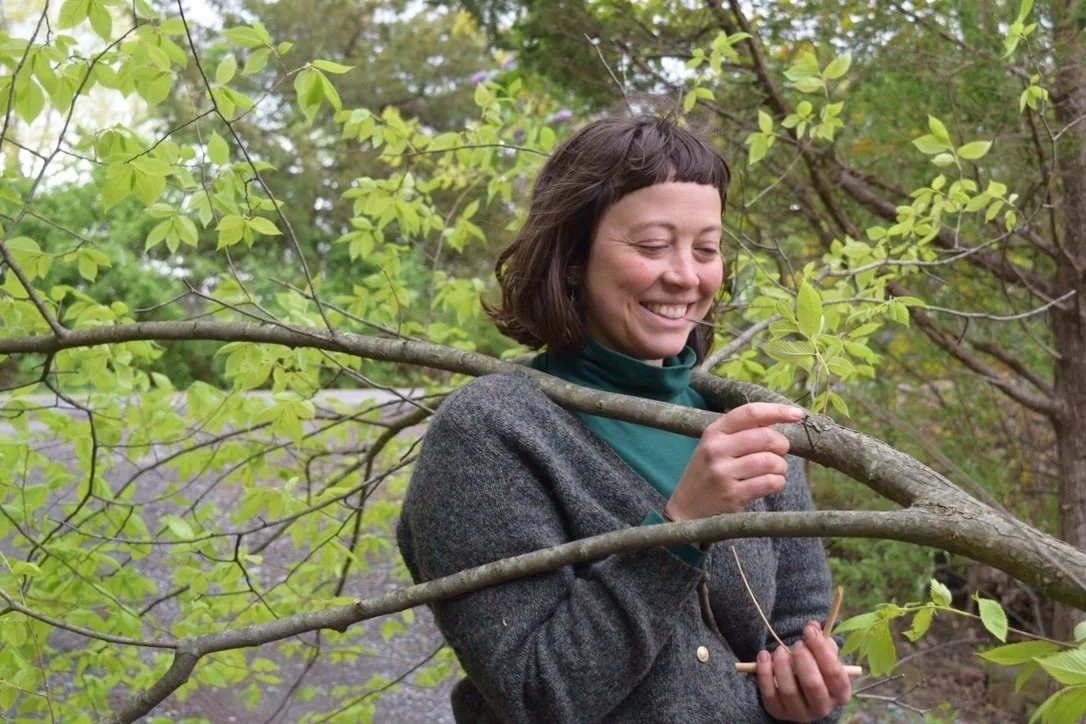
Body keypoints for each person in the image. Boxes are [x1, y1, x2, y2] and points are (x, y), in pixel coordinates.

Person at [397, 115, 852, 723]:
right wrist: (680, 527)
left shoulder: (746, 426)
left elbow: (797, 633)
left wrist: (813, 699)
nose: (686, 276)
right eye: (652, 245)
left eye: (706, 249)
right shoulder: (490, 434)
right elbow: (537, 696)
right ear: (574, 257)